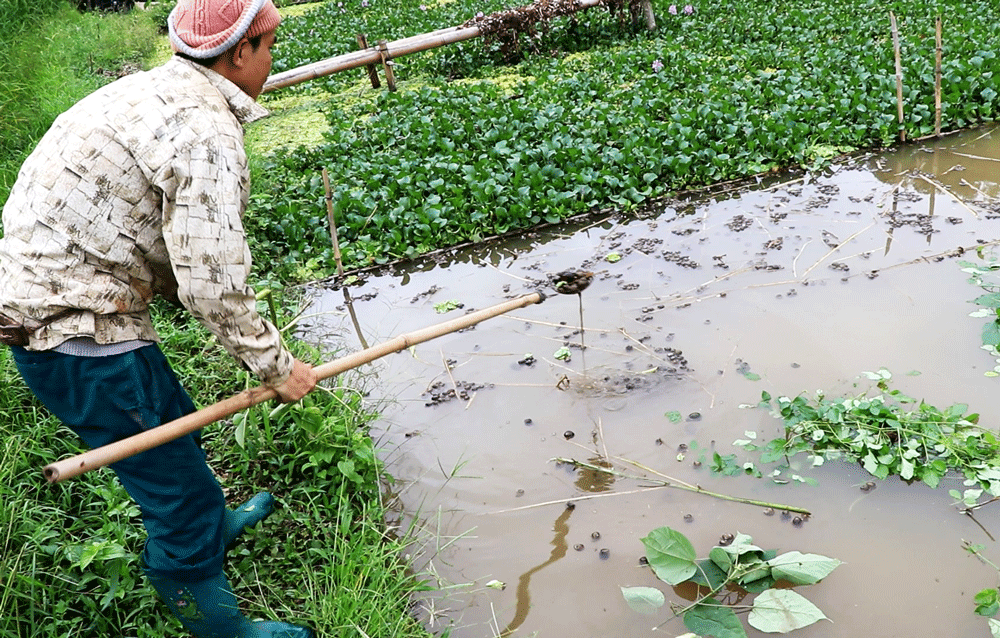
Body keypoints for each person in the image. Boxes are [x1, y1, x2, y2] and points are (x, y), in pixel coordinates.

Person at [0, 0, 317, 636]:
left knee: (173, 427)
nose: (273, 57)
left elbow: (171, 246)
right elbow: (212, 282)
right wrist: (277, 368)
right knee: (174, 491)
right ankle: (213, 618)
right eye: (269, 44)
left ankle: (212, 524)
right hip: (71, 327)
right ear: (235, 55)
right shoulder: (205, 132)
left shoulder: (150, 88)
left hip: (62, 292)